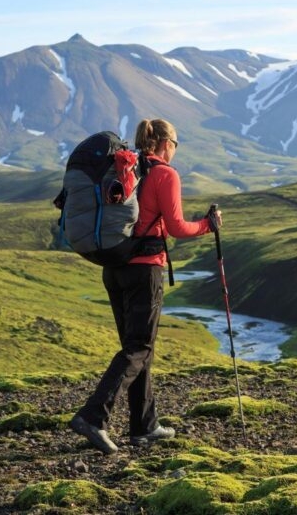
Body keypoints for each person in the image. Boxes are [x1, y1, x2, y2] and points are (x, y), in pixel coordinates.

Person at [70, 118, 221, 455]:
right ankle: (94, 415)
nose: (175, 150)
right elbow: (178, 227)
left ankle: (144, 425)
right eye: (176, 144)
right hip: (145, 271)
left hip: (114, 269)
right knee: (139, 348)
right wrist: (208, 226)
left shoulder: (126, 168)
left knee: (136, 348)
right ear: (167, 143)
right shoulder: (165, 174)